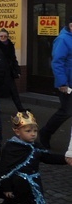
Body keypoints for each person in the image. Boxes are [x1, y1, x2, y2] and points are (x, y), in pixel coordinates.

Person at [0, 111, 70, 204]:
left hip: (32, 186)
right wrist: (7, 188)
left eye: (35, 130)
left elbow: (47, 158)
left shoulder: (36, 146)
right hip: (16, 185)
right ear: (17, 131)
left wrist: (65, 159)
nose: (33, 134)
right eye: (28, 131)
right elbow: (4, 169)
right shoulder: (12, 147)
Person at [38, 15, 72, 149]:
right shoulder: (63, 39)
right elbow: (57, 62)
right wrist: (62, 83)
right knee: (66, 111)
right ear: (70, 25)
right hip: (68, 83)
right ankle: (46, 132)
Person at [0, 28, 24, 112]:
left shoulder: (10, 45)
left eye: (5, 36)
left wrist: (17, 70)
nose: (3, 38)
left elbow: (13, 59)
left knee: (14, 91)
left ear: (7, 37)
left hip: (8, 71)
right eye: (1, 36)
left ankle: (20, 109)